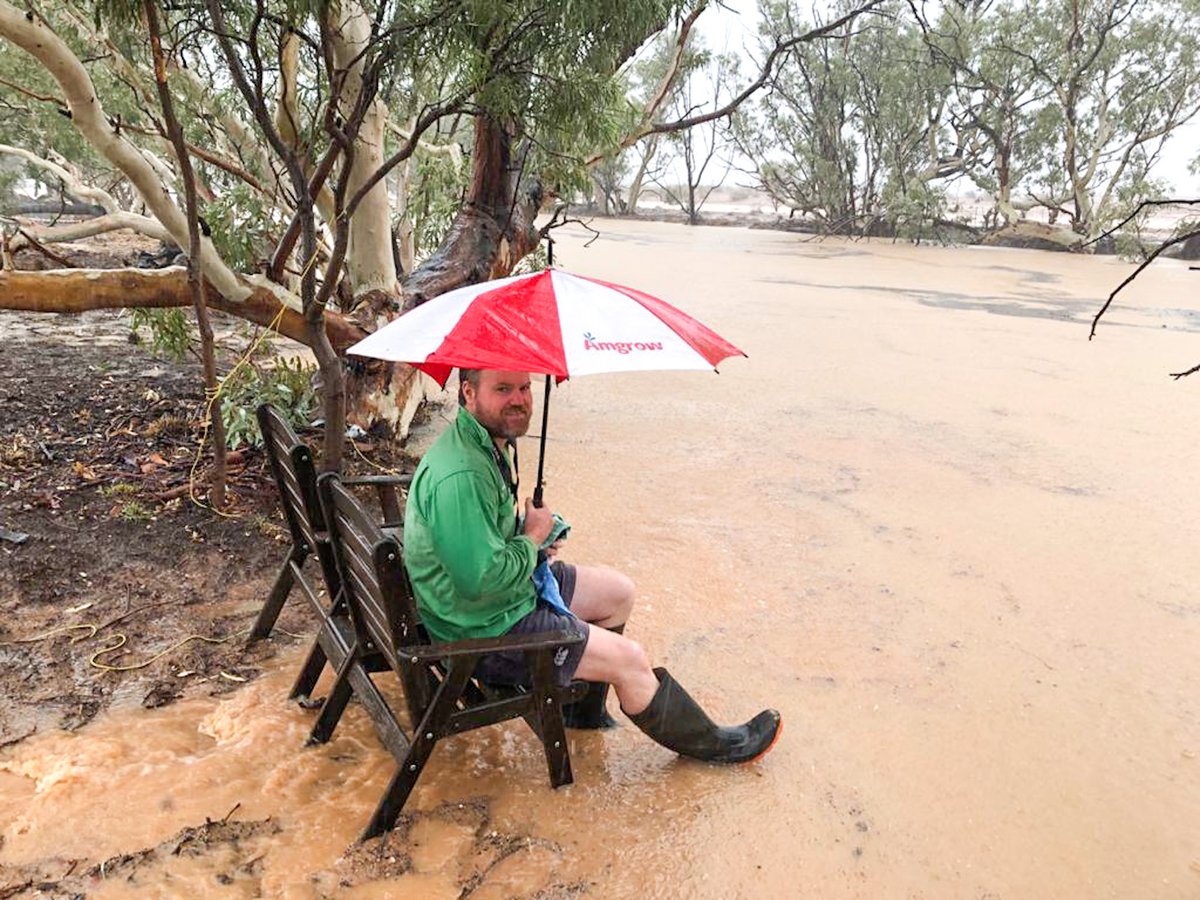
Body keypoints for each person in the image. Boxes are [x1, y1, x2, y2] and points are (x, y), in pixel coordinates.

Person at [402, 368, 781, 763]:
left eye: (524, 387)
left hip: (497, 600)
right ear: (468, 392)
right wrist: (532, 538)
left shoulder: (482, 443)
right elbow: (480, 581)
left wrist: (531, 533)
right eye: (502, 389)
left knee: (618, 594)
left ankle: (579, 715)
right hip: (481, 631)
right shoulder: (463, 473)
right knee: (630, 661)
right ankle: (716, 746)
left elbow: (480, 542)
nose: (518, 399)